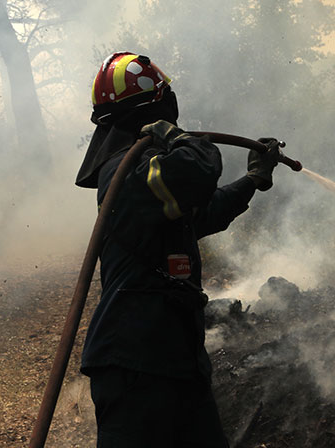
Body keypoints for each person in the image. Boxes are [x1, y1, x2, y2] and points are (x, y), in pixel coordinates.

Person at [75, 52, 280, 448]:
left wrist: (253, 180)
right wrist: (179, 136)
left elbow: (201, 215)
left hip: (175, 361)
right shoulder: (126, 172)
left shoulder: (150, 179)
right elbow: (197, 169)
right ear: (158, 105)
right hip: (134, 365)